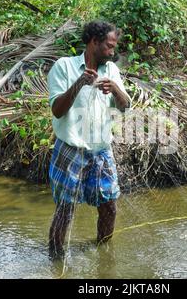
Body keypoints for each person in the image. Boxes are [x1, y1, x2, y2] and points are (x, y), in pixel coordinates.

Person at [47, 21, 131, 259]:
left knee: (109, 208)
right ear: (94, 42)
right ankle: (55, 260)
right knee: (65, 211)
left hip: (102, 151)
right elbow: (57, 110)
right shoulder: (64, 67)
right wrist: (79, 83)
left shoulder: (111, 71)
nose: (112, 52)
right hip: (70, 150)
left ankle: (103, 256)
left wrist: (115, 89)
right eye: (109, 46)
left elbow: (124, 106)